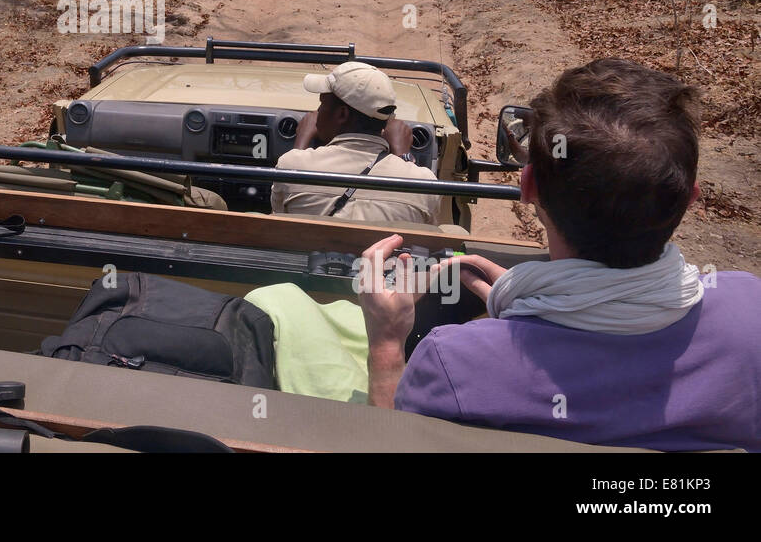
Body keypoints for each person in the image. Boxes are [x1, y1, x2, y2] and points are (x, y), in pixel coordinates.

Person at [358, 58, 760, 452]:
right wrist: (536, 303)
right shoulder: (749, 316)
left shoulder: (455, 364)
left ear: (528, 186)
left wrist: (388, 345)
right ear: (689, 200)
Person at [269, 61, 442, 228]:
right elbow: (426, 230)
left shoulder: (292, 165)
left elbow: (281, 220)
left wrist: (300, 146)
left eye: (322, 103)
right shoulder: (423, 183)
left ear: (342, 114)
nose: (318, 111)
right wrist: (403, 158)